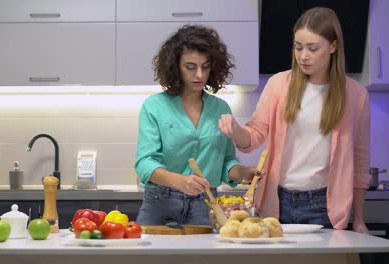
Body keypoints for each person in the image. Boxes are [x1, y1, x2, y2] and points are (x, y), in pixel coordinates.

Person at [218, 7, 370, 233]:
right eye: (298, 47)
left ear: (333, 46)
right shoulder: (279, 84)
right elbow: (255, 133)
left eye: (312, 48)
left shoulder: (356, 95)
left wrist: (359, 219)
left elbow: (359, 161)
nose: (303, 56)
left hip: (325, 206)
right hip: (276, 202)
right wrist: (236, 130)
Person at [134, 25, 257, 225]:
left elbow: (225, 162)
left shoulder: (220, 108)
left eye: (205, 67)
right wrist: (181, 182)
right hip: (160, 204)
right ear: (176, 66)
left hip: (206, 205)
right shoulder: (154, 106)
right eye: (190, 67)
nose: (199, 74)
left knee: (204, 258)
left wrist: (243, 173)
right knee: (151, 257)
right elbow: (144, 163)